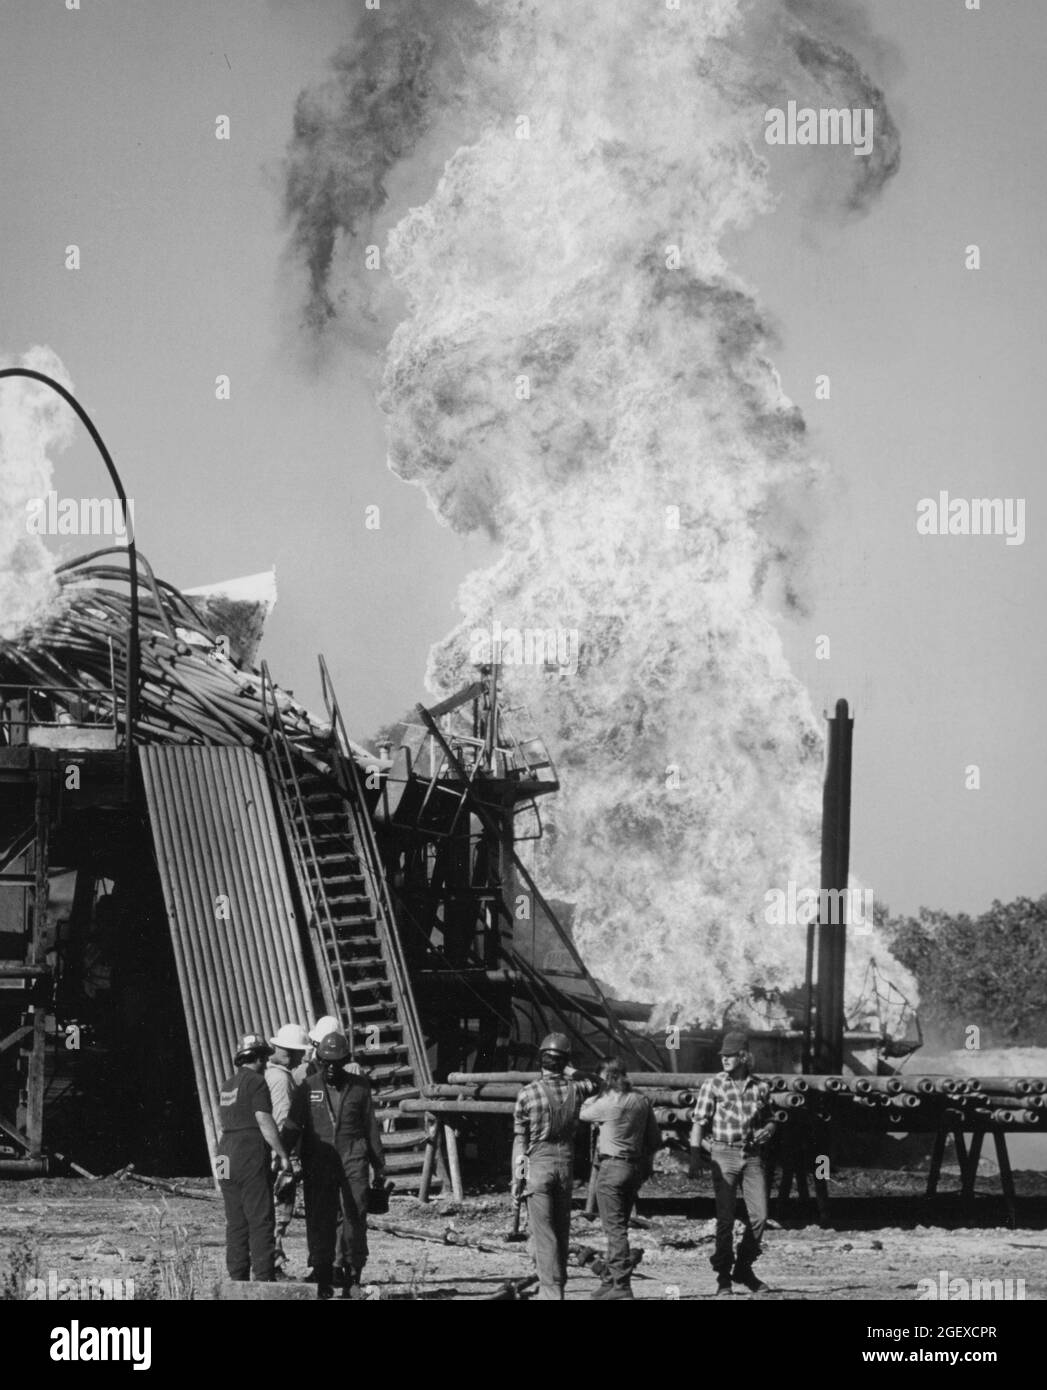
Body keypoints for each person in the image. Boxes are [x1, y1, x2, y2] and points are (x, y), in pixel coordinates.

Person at [289, 1031, 387, 1300]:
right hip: (318, 1162)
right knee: (320, 1219)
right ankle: (323, 1277)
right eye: (326, 1062)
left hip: (353, 1159)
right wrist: (282, 1155)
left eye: (337, 1062)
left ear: (346, 1061)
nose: (331, 1068)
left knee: (355, 1216)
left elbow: (371, 1127)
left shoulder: (360, 1087)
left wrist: (379, 1166)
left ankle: (353, 1276)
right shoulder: (307, 1087)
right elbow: (293, 1126)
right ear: (319, 1060)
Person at [511, 1033, 600, 1300]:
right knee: (561, 1231)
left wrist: (518, 1179)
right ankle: (557, 1288)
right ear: (565, 1062)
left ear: (541, 1060)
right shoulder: (578, 1089)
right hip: (565, 1168)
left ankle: (551, 1292)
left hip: (538, 1166)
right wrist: (572, 1070)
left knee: (544, 1234)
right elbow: (602, 1083)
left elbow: (521, 1143)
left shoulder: (527, 1093)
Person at [689, 1030, 776, 1296]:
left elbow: (771, 1119)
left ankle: (744, 1268)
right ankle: (723, 1276)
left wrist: (769, 1129)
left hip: (752, 1156)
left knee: (760, 1216)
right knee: (725, 1219)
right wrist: (695, 1156)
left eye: (730, 1055)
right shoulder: (713, 1085)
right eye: (723, 1055)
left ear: (744, 1056)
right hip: (723, 1154)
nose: (724, 1059)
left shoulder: (761, 1087)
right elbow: (699, 1122)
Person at [579, 1059, 662, 1300]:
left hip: (611, 1167)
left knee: (614, 1230)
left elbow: (583, 1113)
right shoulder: (641, 1100)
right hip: (633, 1168)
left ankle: (622, 1285)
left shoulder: (607, 1102)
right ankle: (610, 1279)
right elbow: (655, 1140)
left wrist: (594, 1093)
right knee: (619, 1225)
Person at [216, 1032, 292, 1283]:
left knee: (235, 1219)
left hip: (224, 1154)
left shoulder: (227, 1085)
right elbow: (263, 1119)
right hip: (247, 1151)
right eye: (264, 1059)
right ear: (258, 1058)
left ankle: (237, 1279)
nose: (266, 1063)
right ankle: (264, 1278)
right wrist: (282, 1154)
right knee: (260, 1218)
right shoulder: (257, 1082)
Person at [265, 1023, 310, 1270]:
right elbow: (283, 1122)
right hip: (281, 1156)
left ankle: (270, 1260)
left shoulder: (269, 1074)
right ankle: (273, 1262)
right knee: (280, 1212)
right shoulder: (282, 1080)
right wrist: (289, 1158)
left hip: (270, 1155)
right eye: (300, 1053)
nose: (302, 1059)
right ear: (290, 1052)